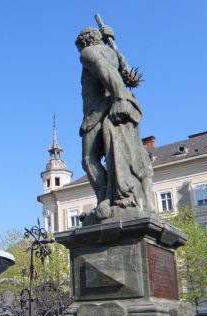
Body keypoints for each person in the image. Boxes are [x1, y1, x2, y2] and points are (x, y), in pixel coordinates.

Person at [76, 25, 154, 220]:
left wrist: (118, 97)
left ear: (84, 41)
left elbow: (105, 71)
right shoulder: (112, 53)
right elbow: (130, 77)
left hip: (97, 111)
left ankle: (104, 198)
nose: (79, 50)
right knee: (120, 154)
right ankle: (115, 197)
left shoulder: (88, 52)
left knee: (89, 159)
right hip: (119, 105)